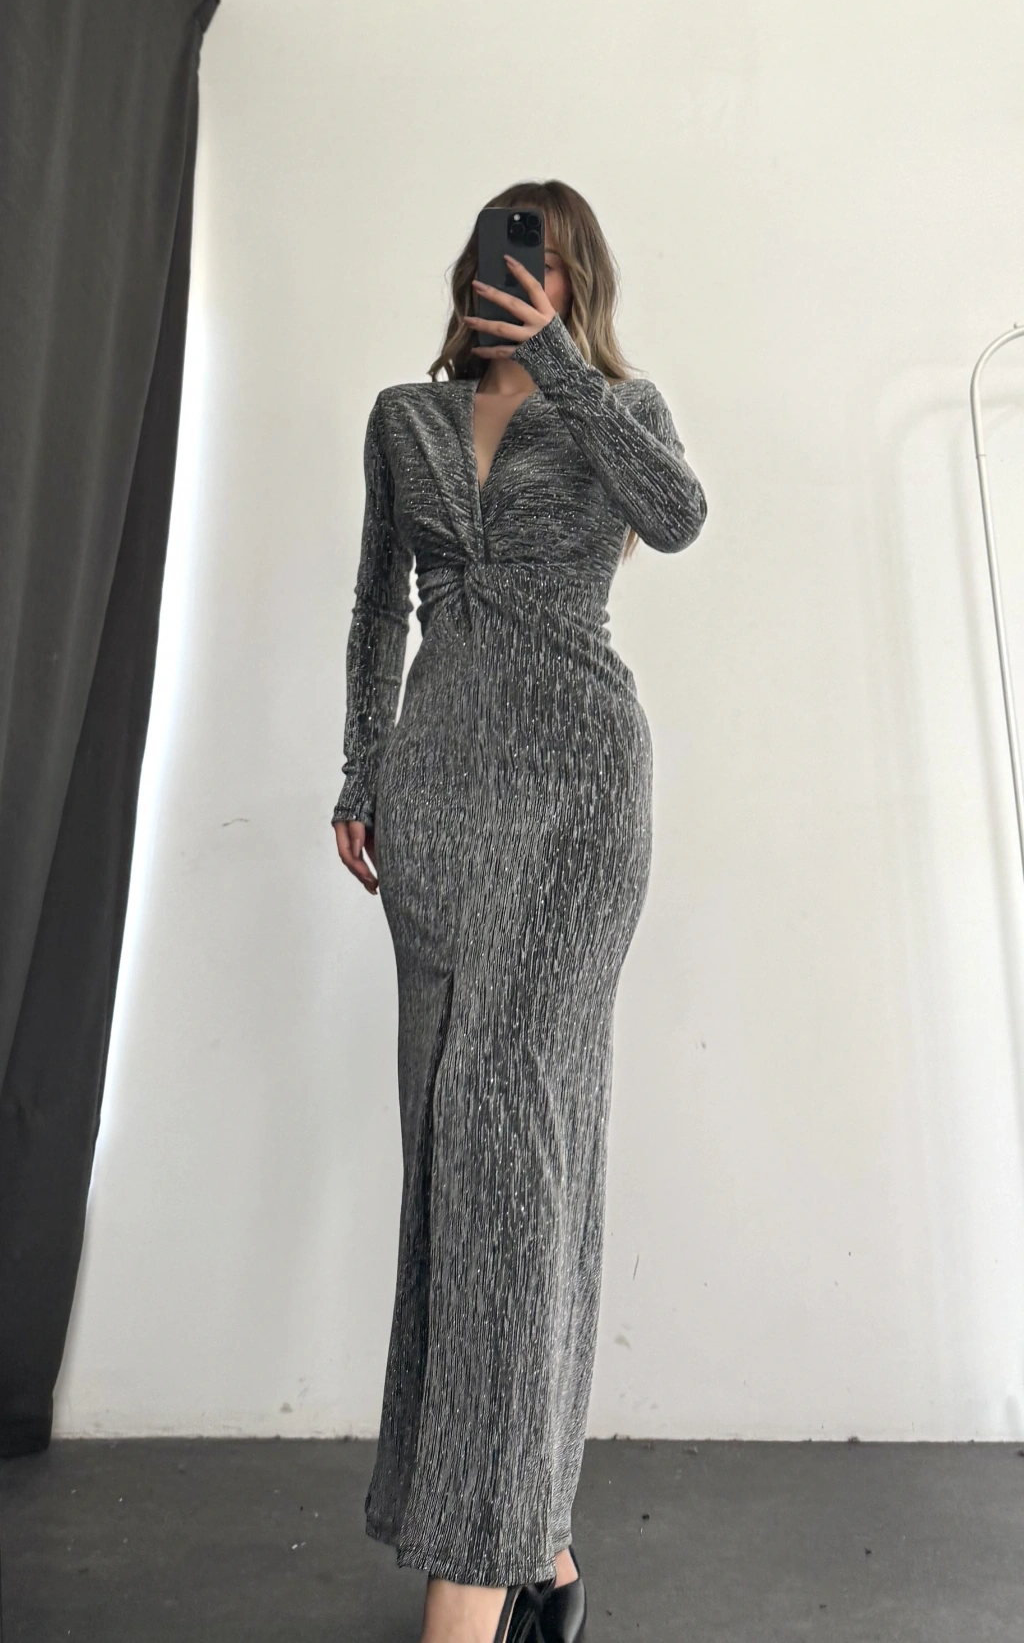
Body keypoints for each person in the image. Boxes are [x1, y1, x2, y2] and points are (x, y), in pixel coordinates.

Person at [331, 179, 708, 1643]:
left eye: (544, 261)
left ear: (575, 276)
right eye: (504, 251)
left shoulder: (620, 408)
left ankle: (470, 1596)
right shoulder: (404, 419)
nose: (518, 275)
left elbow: (679, 518)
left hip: (576, 802)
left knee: (522, 1150)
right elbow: (379, 605)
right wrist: (361, 770)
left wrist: (561, 361)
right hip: (435, 798)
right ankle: (536, 1551)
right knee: (463, 1158)